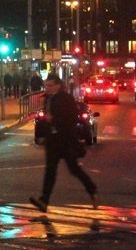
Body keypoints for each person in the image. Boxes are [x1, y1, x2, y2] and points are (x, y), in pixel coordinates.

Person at [29, 73, 98, 213]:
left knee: (74, 169)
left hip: (65, 140)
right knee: (50, 171)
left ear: (58, 85)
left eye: (50, 85)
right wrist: (43, 134)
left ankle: (92, 190)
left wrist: (53, 119)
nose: (47, 88)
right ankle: (44, 201)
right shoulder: (48, 98)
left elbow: (70, 119)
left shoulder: (66, 99)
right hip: (52, 141)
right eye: (46, 85)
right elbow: (45, 119)